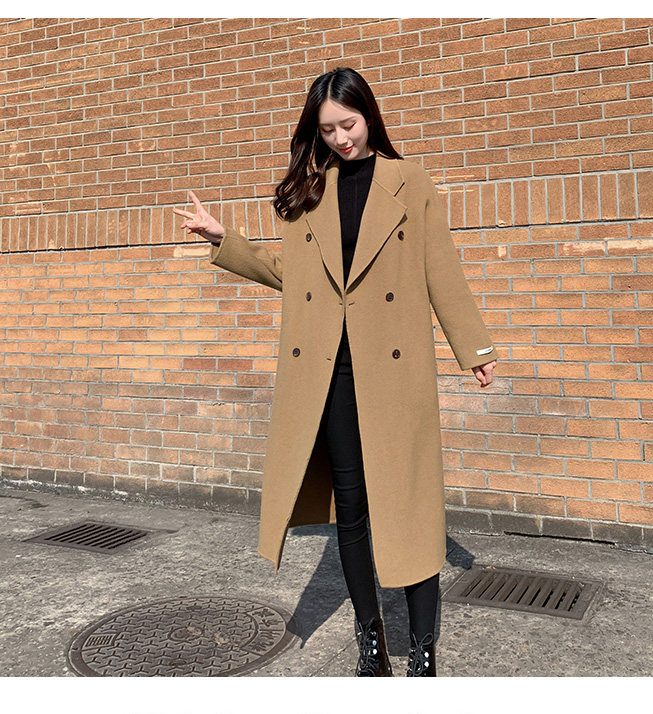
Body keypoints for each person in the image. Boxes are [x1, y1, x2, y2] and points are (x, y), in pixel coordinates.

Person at [173, 67, 497, 677]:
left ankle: (423, 647)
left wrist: (473, 347)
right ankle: (370, 635)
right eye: (327, 130)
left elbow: (440, 267)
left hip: (394, 373)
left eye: (348, 124)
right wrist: (224, 239)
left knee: (410, 505)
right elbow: (291, 273)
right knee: (351, 508)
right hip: (330, 375)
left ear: (368, 115)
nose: (341, 139)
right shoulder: (311, 191)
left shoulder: (409, 182)